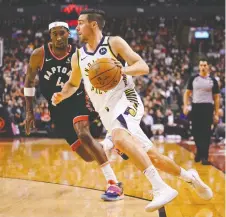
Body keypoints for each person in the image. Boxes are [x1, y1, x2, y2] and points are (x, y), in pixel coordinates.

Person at [52, 10, 213, 212]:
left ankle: (160, 188)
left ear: (94, 25)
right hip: (107, 114)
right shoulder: (78, 56)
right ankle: (191, 178)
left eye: (81, 23)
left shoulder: (114, 43)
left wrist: (123, 70)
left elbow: (142, 66)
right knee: (154, 158)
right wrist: (61, 94)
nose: (77, 27)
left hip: (127, 100)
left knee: (118, 138)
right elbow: (73, 84)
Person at [24, 21, 123, 201]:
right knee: (87, 157)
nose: (59, 37)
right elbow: (29, 83)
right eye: (55, 34)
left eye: (63, 33)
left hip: (77, 101)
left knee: (83, 134)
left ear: (68, 34)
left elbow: (92, 78)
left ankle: (113, 184)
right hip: (56, 108)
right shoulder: (39, 55)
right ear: (50, 35)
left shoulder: (78, 54)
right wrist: (29, 112)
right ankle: (110, 144)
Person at [183, 58, 220, 165]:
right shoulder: (193, 79)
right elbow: (187, 93)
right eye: (201, 65)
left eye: (205, 65)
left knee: (206, 133)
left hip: (208, 107)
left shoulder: (213, 80)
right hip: (196, 107)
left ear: (208, 66)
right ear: (199, 67)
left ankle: (204, 157)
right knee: (195, 131)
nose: (203, 67)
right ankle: (199, 151)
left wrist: (216, 113)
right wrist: (185, 106)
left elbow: (217, 97)